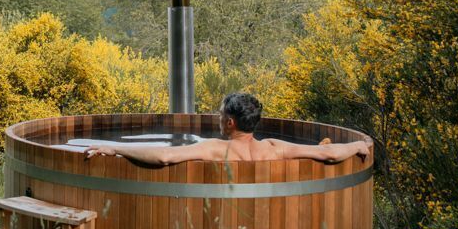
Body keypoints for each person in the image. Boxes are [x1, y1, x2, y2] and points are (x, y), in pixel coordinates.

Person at [84, 92, 371, 165]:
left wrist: (115, 148)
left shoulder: (216, 149)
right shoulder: (273, 148)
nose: (218, 119)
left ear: (230, 122)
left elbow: (164, 156)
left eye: (221, 115)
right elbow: (329, 154)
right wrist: (358, 145)